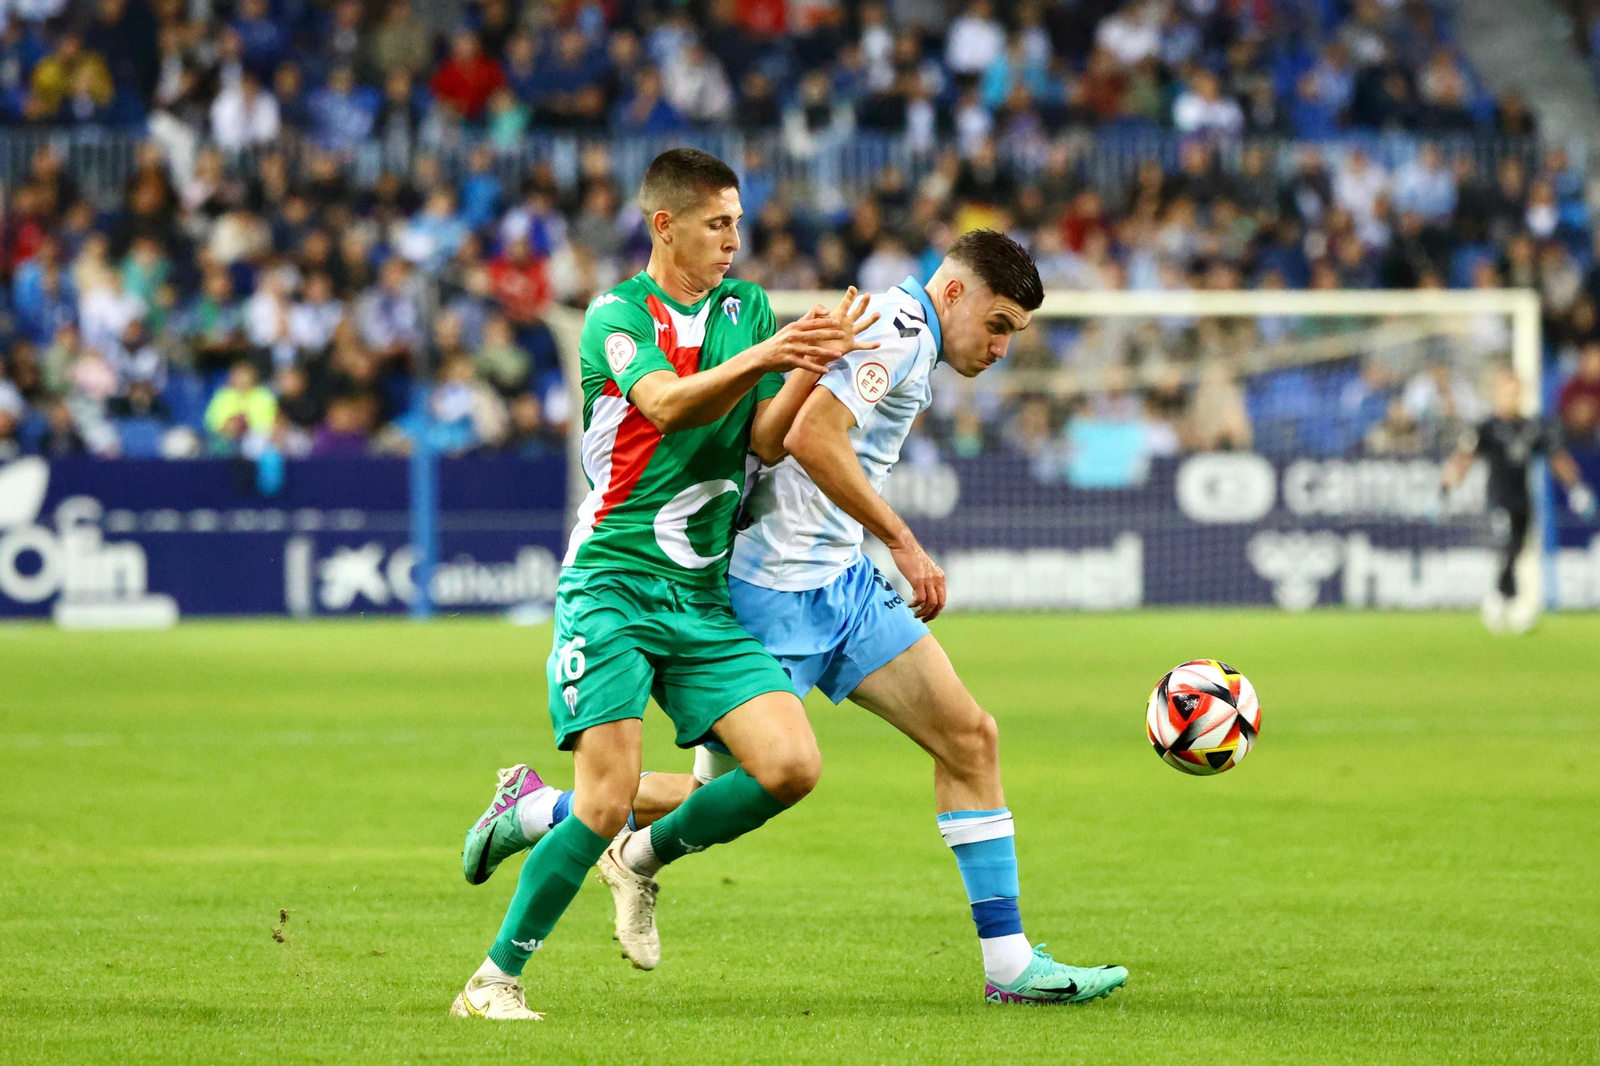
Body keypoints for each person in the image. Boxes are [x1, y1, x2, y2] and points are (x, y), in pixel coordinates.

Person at [477, 231, 1130, 1006]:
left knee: (969, 735)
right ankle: (558, 817)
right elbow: (806, 437)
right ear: (954, 294)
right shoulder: (899, 330)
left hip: (841, 584)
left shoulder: (908, 341)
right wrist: (904, 540)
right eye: (998, 326)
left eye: (1013, 335)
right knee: (736, 786)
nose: (1001, 349)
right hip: (769, 592)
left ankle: (1011, 966)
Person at [448, 149, 878, 1021]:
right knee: (607, 798)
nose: (734, 241)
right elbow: (670, 405)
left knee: (790, 766)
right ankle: (492, 981)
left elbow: (759, 442)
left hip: (701, 598)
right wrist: (772, 353)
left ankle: (607, 845)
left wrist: (812, 365)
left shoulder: (745, 306)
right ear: (665, 225)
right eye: (718, 224)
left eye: (738, 224)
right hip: (614, 583)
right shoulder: (616, 315)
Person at [1442, 369, 1596, 634]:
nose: (1512, 398)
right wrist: (1445, 488)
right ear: (1497, 394)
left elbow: (1556, 457)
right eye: (1507, 393)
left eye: (1516, 393)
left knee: (1515, 550)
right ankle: (1508, 602)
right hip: (1498, 499)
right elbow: (1463, 458)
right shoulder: (1486, 427)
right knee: (1508, 546)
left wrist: (1576, 489)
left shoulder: (1530, 426)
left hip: (1523, 501)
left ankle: (1501, 597)